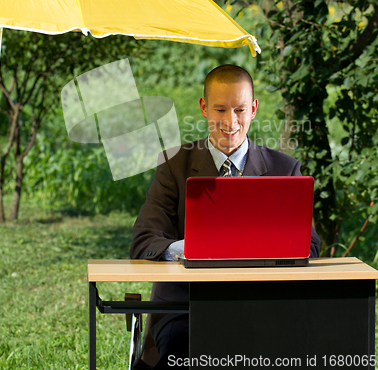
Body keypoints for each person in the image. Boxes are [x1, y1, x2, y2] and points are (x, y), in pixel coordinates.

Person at [130, 64, 321, 368]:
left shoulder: (285, 169)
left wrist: (253, 248)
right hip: (185, 310)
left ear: (254, 109)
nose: (230, 122)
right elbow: (144, 240)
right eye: (220, 109)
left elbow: (308, 246)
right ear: (204, 108)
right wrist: (191, 248)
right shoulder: (174, 165)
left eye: (240, 110)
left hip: (262, 309)